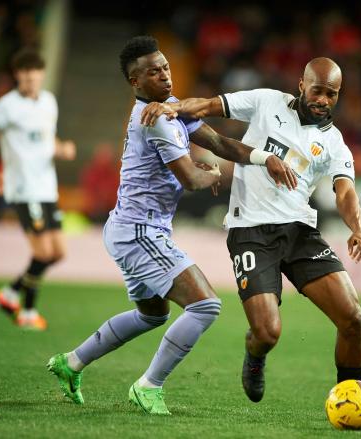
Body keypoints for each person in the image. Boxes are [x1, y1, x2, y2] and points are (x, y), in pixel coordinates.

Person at [46, 35, 296, 415]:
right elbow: (191, 179)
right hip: (139, 231)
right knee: (206, 305)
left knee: (153, 314)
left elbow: (220, 142)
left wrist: (265, 159)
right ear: (135, 82)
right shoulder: (156, 123)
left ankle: (72, 363)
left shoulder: (171, 110)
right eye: (153, 71)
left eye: (165, 67)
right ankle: (148, 387)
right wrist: (212, 176)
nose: (165, 75)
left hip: (134, 229)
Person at [141, 58, 361, 403]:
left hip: (299, 234)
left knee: (353, 318)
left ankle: (351, 397)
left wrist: (358, 228)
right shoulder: (267, 102)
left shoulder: (335, 143)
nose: (324, 100)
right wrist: (170, 107)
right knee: (268, 333)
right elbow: (209, 105)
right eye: (318, 90)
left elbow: (345, 191)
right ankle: (255, 355)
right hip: (251, 231)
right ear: (301, 85)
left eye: (332, 94)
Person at [0, 48, 76, 330]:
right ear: (18, 75)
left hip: (47, 187)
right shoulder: (6, 106)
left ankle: (8, 294)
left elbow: (47, 137)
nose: (30, 79)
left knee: (58, 253)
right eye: (25, 75)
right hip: (23, 188)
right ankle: (27, 311)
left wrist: (61, 148)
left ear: (41, 74)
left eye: (34, 74)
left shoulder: (48, 102)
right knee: (42, 253)